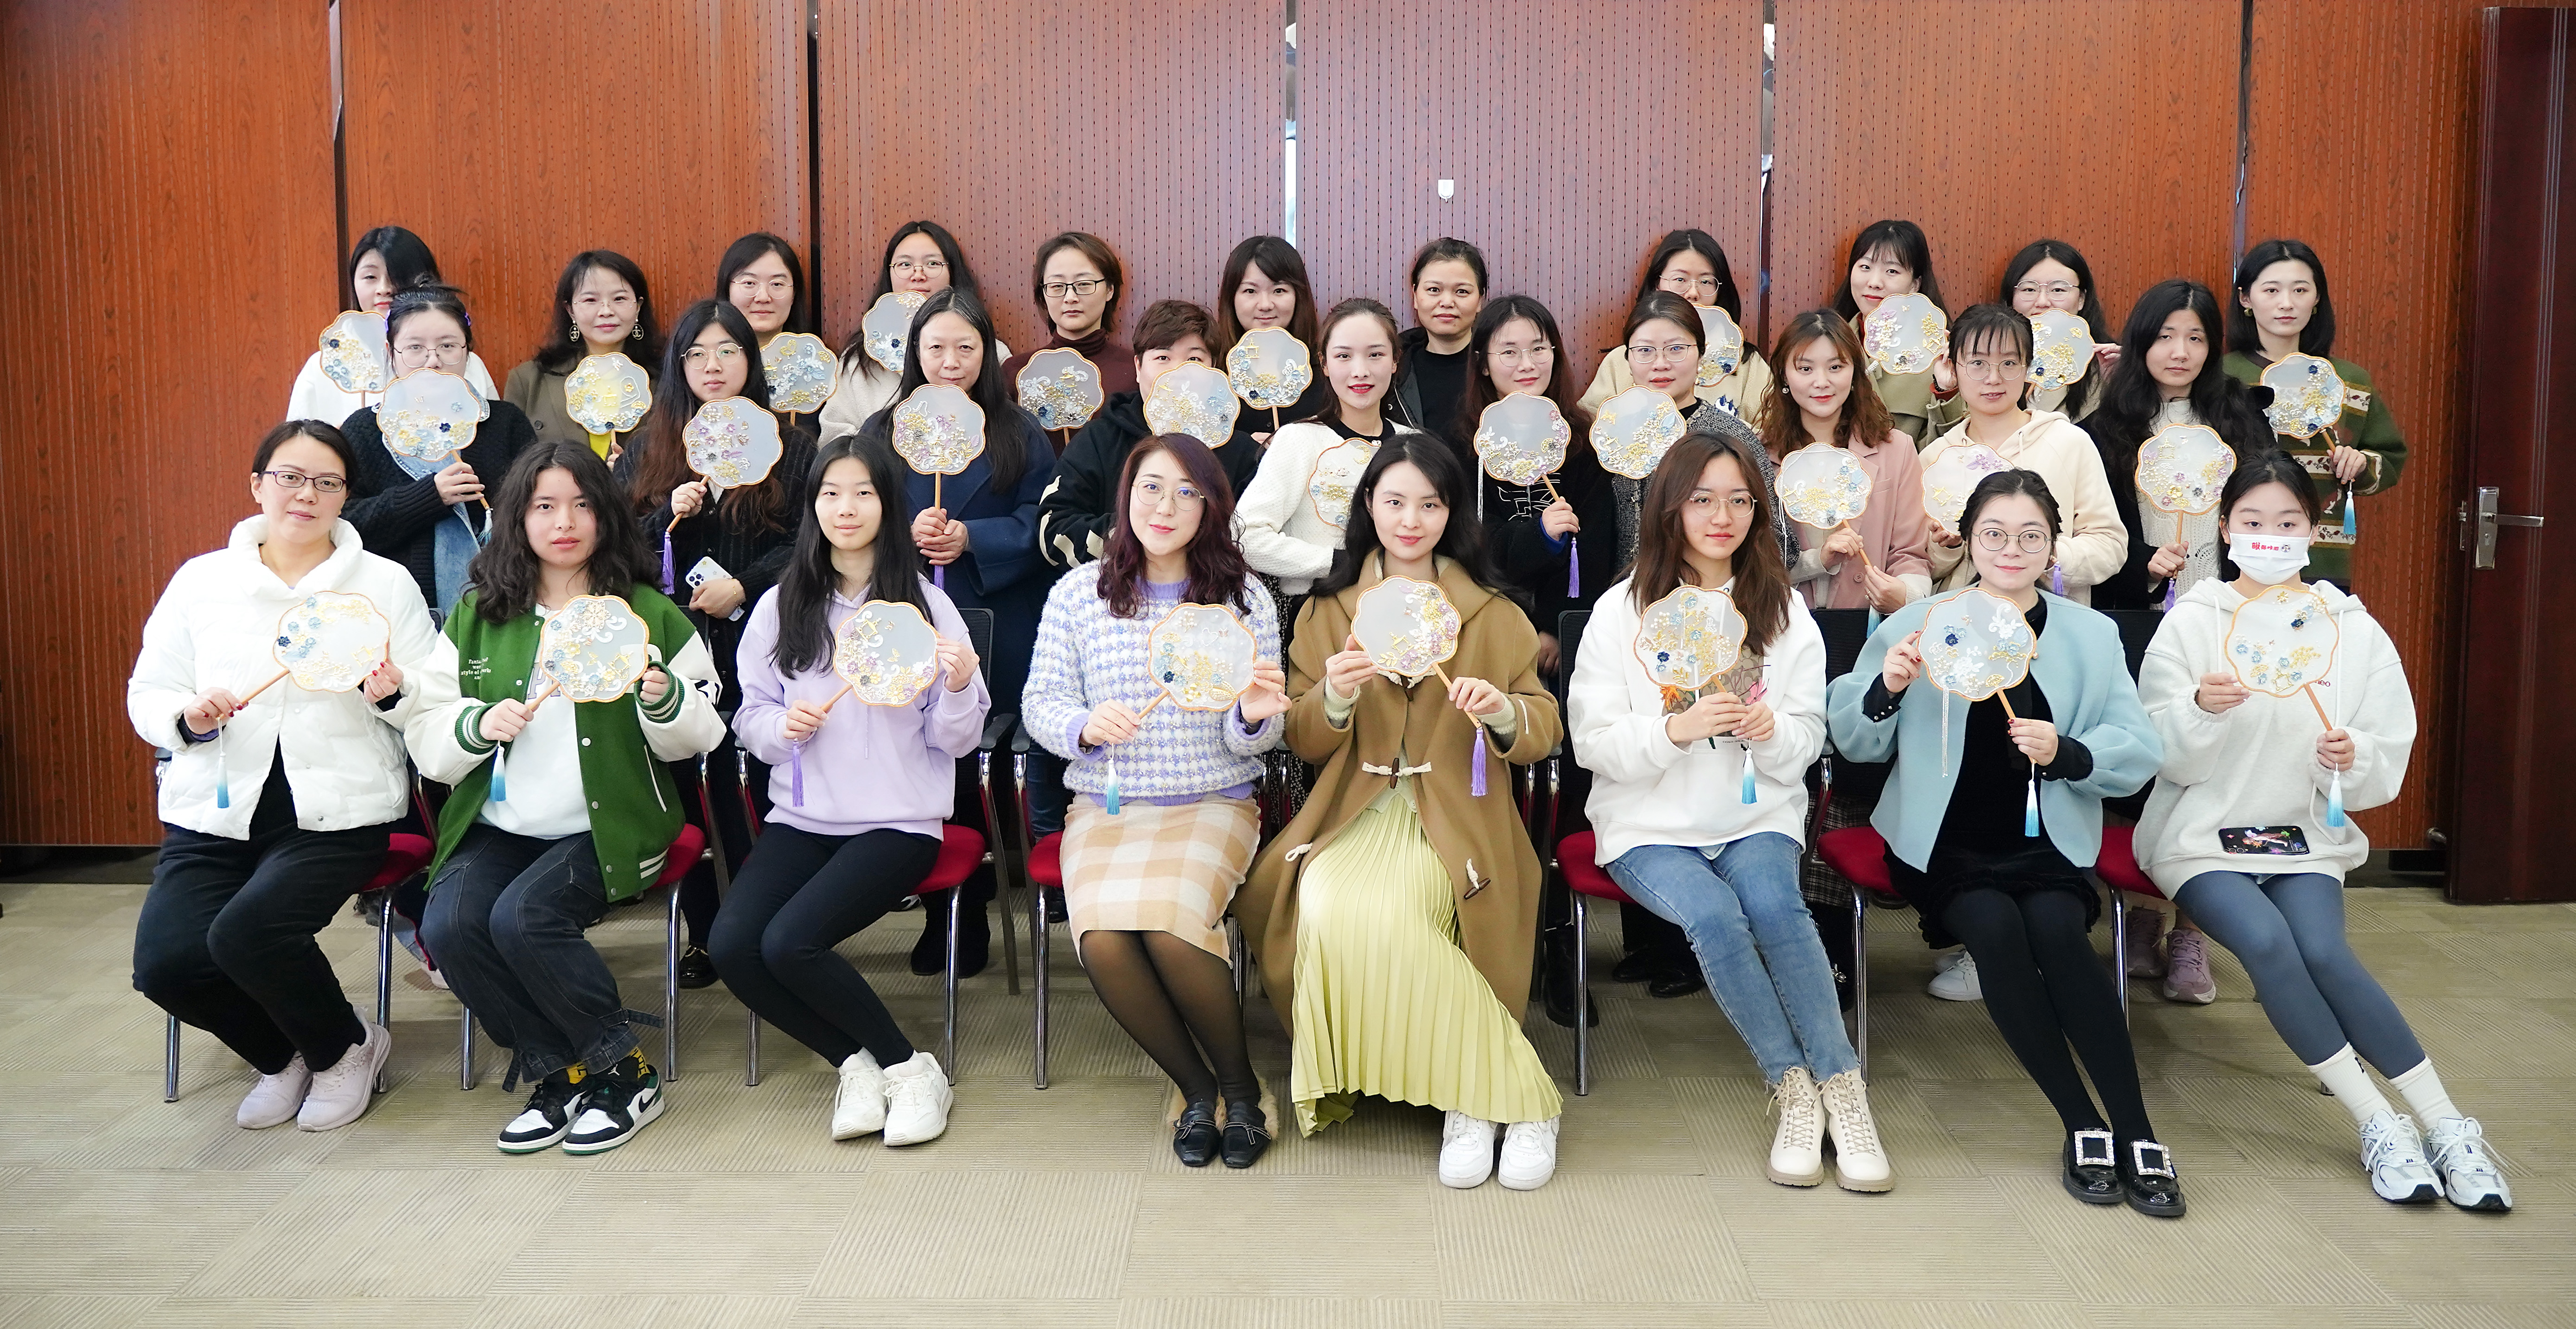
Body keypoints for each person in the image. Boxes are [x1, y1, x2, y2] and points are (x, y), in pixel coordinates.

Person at [2136, 454, 2509, 1211]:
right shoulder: (2193, 621)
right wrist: (2199, 711)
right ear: (2225, 528)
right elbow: (2159, 750)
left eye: (2287, 523)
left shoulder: (2350, 628)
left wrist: (2349, 756)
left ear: (2314, 530)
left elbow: (2384, 747)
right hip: (2203, 835)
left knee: (2325, 950)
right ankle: (2377, 1122)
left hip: (2302, 833)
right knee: (2268, 942)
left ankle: (2445, 1125)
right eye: (2252, 522)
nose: (2269, 536)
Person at [1826, 469, 2183, 1218]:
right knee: (1993, 929)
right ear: (1969, 539)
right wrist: (1889, 685)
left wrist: (2068, 751)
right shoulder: (1919, 622)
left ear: (2053, 545)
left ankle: (2137, 1130)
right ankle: (2081, 1123)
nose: (2011, 549)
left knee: (2058, 933)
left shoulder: (2089, 634)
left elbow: (2137, 746)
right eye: (1993, 533)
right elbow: (1853, 738)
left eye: (2030, 535)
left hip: (2047, 838)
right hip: (1943, 841)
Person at [1236, 436, 1567, 1191]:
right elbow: (1304, 737)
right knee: (1322, 903)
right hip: (1356, 807)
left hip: (1460, 811)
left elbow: (1544, 729)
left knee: (1390, 912)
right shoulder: (1329, 610)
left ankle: (1478, 1095)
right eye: (1394, 502)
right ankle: (1502, 1089)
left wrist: (1503, 711)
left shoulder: (1493, 613)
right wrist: (1336, 694)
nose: (1410, 520)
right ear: (1368, 508)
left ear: (1452, 513)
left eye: (1429, 503)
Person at [1569, 430, 1894, 1192]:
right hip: (1648, 823)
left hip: (1754, 814)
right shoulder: (1622, 610)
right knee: (1715, 917)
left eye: (1740, 500)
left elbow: (1808, 740)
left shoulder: (1781, 612)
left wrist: (1771, 731)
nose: (1723, 516)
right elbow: (1593, 743)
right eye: (1703, 499)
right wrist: (1674, 730)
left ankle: (1844, 1090)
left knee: (1778, 907)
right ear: (1670, 508)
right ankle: (1793, 1088)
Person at [410, 442, 726, 1155]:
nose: (564, 522)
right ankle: (562, 1070)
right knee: (451, 924)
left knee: (525, 917)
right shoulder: (479, 614)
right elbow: (427, 729)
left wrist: (663, 697)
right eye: (545, 506)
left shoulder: (646, 613)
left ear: (606, 516)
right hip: (503, 822)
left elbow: (703, 732)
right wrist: (475, 724)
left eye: (582, 504)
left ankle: (625, 1072)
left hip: (605, 825)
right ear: (517, 519)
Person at [128, 421, 444, 1132]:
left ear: (345, 496)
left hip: (339, 812)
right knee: (167, 965)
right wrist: (187, 715)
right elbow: (150, 690)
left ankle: (345, 1048)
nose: (307, 494)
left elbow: (432, 694)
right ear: (257, 485)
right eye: (290, 477)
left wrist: (394, 691)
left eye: (327, 482)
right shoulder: (202, 580)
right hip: (214, 811)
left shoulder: (383, 583)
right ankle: (285, 1053)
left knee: (248, 934)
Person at [1023, 433, 1288, 1169]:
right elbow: (1042, 701)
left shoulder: (1242, 600)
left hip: (1212, 800)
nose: (1165, 506)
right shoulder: (1078, 594)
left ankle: (1243, 1090)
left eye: (1186, 492)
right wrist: (1082, 726)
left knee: (1171, 925)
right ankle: (1198, 1091)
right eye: (1151, 487)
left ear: (1210, 507)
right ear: (1126, 496)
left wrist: (1253, 716)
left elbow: (1258, 737)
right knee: (1103, 937)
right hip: (1109, 806)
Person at [714, 435, 982, 1147]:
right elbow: (750, 714)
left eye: (864, 492)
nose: (846, 507)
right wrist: (782, 726)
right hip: (804, 817)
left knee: (790, 942)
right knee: (734, 945)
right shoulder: (780, 606)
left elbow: (957, 740)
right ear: (814, 507)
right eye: (831, 493)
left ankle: (912, 1068)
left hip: (900, 821)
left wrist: (960, 685)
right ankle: (857, 1062)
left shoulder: (927, 607)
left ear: (888, 505)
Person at [851, 286, 1057, 975]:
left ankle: (977, 908)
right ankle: (942, 910)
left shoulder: (1018, 431)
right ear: (914, 352)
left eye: (965, 347)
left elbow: (1041, 523)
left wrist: (974, 537)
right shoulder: (883, 430)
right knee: (919, 757)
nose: (950, 360)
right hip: (904, 613)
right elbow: (851, 515)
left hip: (992, 614)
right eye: (935, 346)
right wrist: (902, 533)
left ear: (987, 354)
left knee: (974, 758)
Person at [617, 298, 817, 987]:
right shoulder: (650, 447)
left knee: (758, 780)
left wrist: (746, 585)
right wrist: (664, 519)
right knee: (689, 781)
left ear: (750, 360)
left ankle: (772, 925)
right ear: (678, 366)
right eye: (696, 353)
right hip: (676, 645)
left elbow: (811, 542)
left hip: (765, 636)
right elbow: (614, 548)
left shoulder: (792, 444)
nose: (712, 365)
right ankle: (704, 931)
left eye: (728, 350)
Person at [340, 284, 538, 617]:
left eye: (448, 346)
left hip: (500, 604)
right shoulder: (365, 429)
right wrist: (429, 496)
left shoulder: (505, 423)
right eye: (415, 348)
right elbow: (342, 524)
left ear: (468, 351)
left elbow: (538, 510)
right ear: (391, 352)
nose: (433, 361)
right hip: (398, 613)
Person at [2224, 238, 2404, 593]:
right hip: (2239, 556)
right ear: (2245, 298)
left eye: (2300, 290)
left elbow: (2389, 458)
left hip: (2321, 557)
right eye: (2271, 290)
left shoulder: (2350, 381)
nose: (2286, 303)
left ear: (2317, 298)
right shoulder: (2219, 377)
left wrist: (2360, 464)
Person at [1919, 304, 2126, 605]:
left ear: (2028, 366)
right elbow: (1920, 564)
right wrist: (1947, 548)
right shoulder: (1935, 457)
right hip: (1962, 620)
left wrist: (2046, 553)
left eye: (2009, 363)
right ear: (1953, 367)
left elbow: (2111, 545)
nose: (1993, 378)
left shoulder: (2068, 442)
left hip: (2048, 617)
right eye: (1977, 363)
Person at [1037, 299, 1262, 569]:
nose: (1178, 372)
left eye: (1194, 359)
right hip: (1112, 587)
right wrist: (1137, 536)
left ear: (1214, 368)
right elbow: (1054, 528)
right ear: (1138, 367)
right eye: (1163, 358)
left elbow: (1257, 537)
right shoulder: (1100, 438)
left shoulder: (1242, 451)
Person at [1237, 298, 1428, 607]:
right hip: (1316, 612)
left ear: (1395, 361)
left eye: (1375, 355)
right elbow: (1245, 537)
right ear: (1324, 364)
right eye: (1343, 356)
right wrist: (1336, 562)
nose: (1360, 371)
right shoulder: (1298, 440)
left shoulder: (1415, 444)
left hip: (1403, 610)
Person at [1753, 309, 1930, 613]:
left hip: (1867, 625)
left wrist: (1904, 596)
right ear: (1784, 375)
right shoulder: (1759, 455)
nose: (1821, 382)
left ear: (1855, 373)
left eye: (1836, 367)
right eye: (1805, 369)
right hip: (1785, 623)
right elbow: (1752, 562)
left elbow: (1911, 554)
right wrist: (1817, 561)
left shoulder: (1897, 450)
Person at [286, 225, 499, 424]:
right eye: (370, 277)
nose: (384, 289)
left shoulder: (463, 362)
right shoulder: (323, 368)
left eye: (398, 276)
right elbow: (296, 444)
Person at [821, 222, 1011, 441]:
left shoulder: (991, 351)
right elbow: (835, 438)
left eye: (933, 263)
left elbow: (1006, 427)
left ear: (952, 272)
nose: (918, 275)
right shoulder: (858, 361)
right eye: (905, 264)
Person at [1578, 229, 1775, 421]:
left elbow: (1770, 431)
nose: (1693, 293)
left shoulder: (1747, 364)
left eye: (1706, 282)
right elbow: (1592, 426)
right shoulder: (1619, 361)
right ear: (1657, 284)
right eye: (1680, 279)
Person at [503, 250, 663, 458]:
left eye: (619, 299)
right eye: (590, 300)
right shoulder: (528, 381)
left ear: (638, 307)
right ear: (571, 310)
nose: (606, 311)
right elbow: (515, 468)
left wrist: (630, 471)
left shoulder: (668, 379)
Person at [1829, 220, 1957, 447]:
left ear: (1915, 284)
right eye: (1865, 267)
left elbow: (1949, 446)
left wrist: (1945, 392)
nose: (1874, 283)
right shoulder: (1823, 343)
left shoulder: (1939, 354)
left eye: (1892, 271)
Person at [1002, 230, 1137, 411]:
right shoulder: (1016, 372)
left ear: (1110, 290)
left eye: (1084, 284)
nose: (1070, 297)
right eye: (1057, 286)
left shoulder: (1136, 372)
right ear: (1043, 295)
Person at [1213, 235, 1333, 431]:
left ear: (1298, 296)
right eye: (1250, 291)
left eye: (1279, 291)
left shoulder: (1326, 370)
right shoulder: (1214, 371)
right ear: (1231, 298)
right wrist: (1243, 444)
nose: (1265, 305)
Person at [1999, 240, 2119, 423]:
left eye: (2058, 290)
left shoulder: (2108, 365)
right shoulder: (1988, 362)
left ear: (2081, 299)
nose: (2042, 302)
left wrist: (2123, 382)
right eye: (2029, 289)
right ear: (2011, 299)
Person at [1391, 236, 1487, 438]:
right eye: (1434, 290)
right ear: (1415, 295)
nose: (1447, 302)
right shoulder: (1393, 368)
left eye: (1462, 291)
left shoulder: (1499, 365)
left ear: (1480, 299)